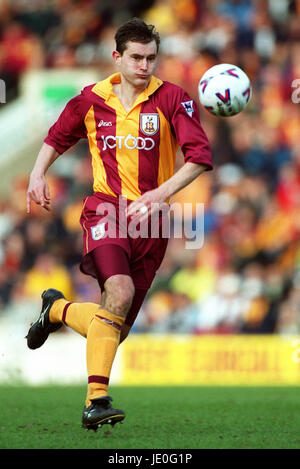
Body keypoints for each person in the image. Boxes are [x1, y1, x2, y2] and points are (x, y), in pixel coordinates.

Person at [25, 18, 213, 431]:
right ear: (118, 57)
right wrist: (37, 174)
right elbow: (58, 137)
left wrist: (160, 194)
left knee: (115, 326)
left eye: (151, 58)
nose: (145, 66)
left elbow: (199, 156)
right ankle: (96, 400)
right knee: (120, 291)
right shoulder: (92, 99)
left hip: (153, 221)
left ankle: (56, 308)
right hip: (106, 211)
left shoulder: (173, 99)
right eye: (136, 57)